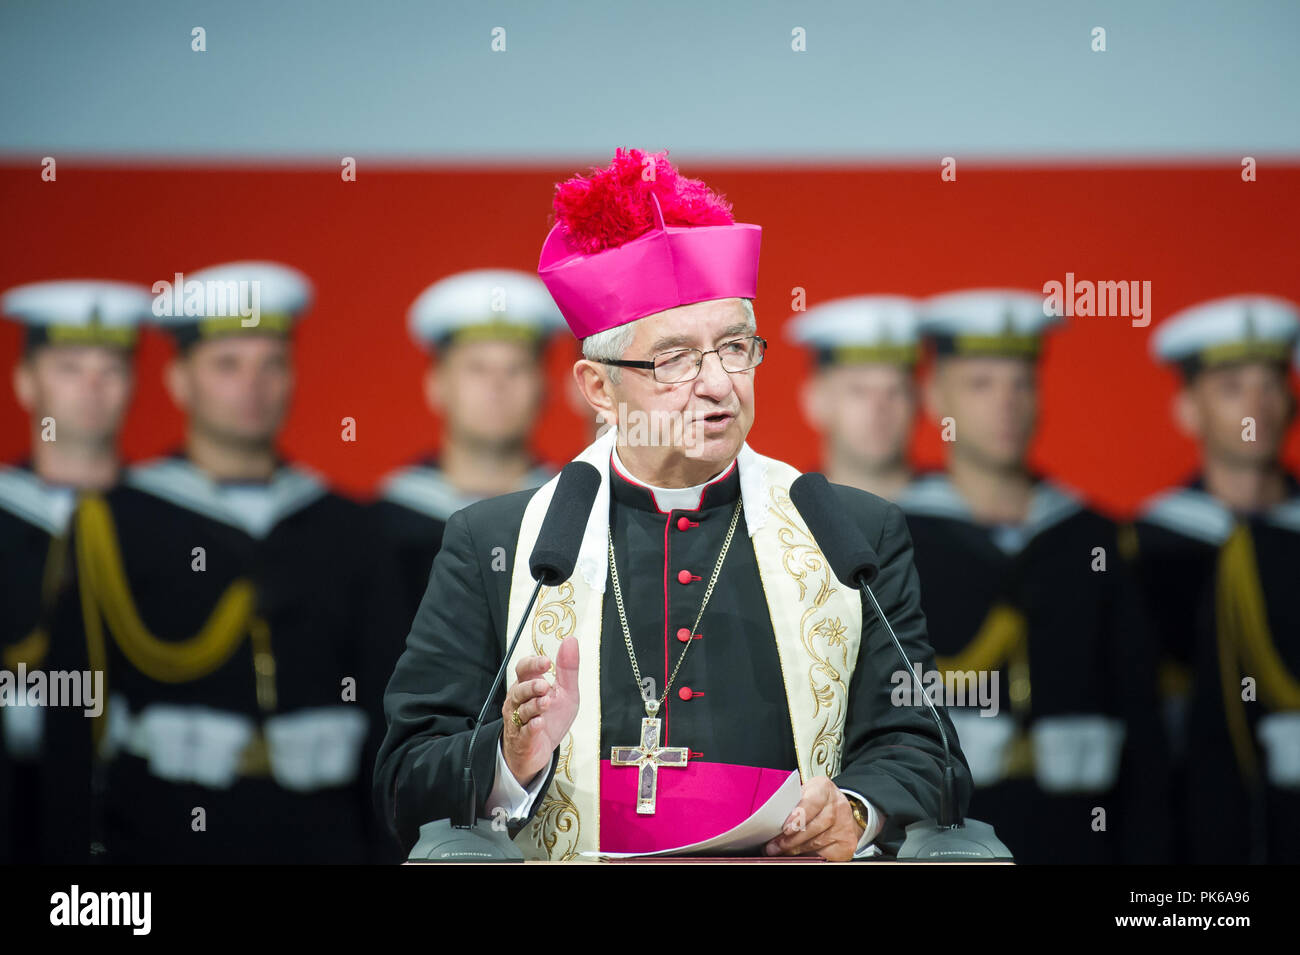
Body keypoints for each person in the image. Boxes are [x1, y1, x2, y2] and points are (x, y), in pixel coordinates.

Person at [375, 147, 971, 860]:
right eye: (677, 359)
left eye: (735, 347)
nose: (719, 383)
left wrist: (854, 809)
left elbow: (927, 750)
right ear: (599, 388)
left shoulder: (846, 530)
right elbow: (403, 781)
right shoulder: (497, 543)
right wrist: (509, 753)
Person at [41, 261, 408, 863]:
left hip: (324, 836)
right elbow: (71, 722)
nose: (252, 386)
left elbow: (388, 712)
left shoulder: (353, 525)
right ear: (179, 379)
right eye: (227, 365)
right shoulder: (114, 523)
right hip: (160, 834)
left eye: (271, 364)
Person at [899, 288, 1169, 864]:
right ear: (934, 397)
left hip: (1081, 835)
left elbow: (1140, 716)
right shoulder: (896, 537)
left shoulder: (1094, 535)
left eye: (1021, 383)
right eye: (980, 384)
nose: (1006, 404)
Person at [1131, 294, 1300, 864]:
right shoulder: (1140, 547)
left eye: (1271, 385)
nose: (1259, 406)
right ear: (1187, 409)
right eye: (1232, 388)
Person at [0, 279, 151, 863]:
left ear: (135, 383)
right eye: (67, 367)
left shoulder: (167, 525)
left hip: (139, 817)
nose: (92, 388)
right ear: (24, 381)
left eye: (110, 368)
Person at [372, 269, 562, 616]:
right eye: (477, 369)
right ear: (436, 385)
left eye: (516, 368)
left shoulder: (576, 514)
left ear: (544, 387)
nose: (497, 385)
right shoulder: (380, 528)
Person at [786, 295, 922, 501]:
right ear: (815, 401)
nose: (879, 408)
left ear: (918, 401)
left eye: (895, 391)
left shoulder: (962, 517)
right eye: (859, 391)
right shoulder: (779, 519)